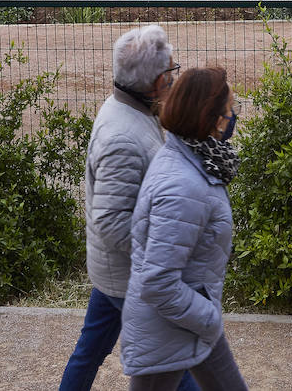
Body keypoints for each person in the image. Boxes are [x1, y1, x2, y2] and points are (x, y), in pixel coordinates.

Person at [58, 25, 198, 391]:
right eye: (171, 72)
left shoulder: (133, 109)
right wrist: (161, 253)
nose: (174, 78)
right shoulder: (123, 136)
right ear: (153, 83)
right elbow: (110, 221)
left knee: (88, 352)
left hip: (115, 273)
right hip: (132, 277)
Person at [121, 67, 247, 391]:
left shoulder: (190, 158)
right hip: (173, 327)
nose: (234, 115)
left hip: (188, 317)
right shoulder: (183, 184)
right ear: (214, 119)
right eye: (231, 108)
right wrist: (208, 317)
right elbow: (158, 282)